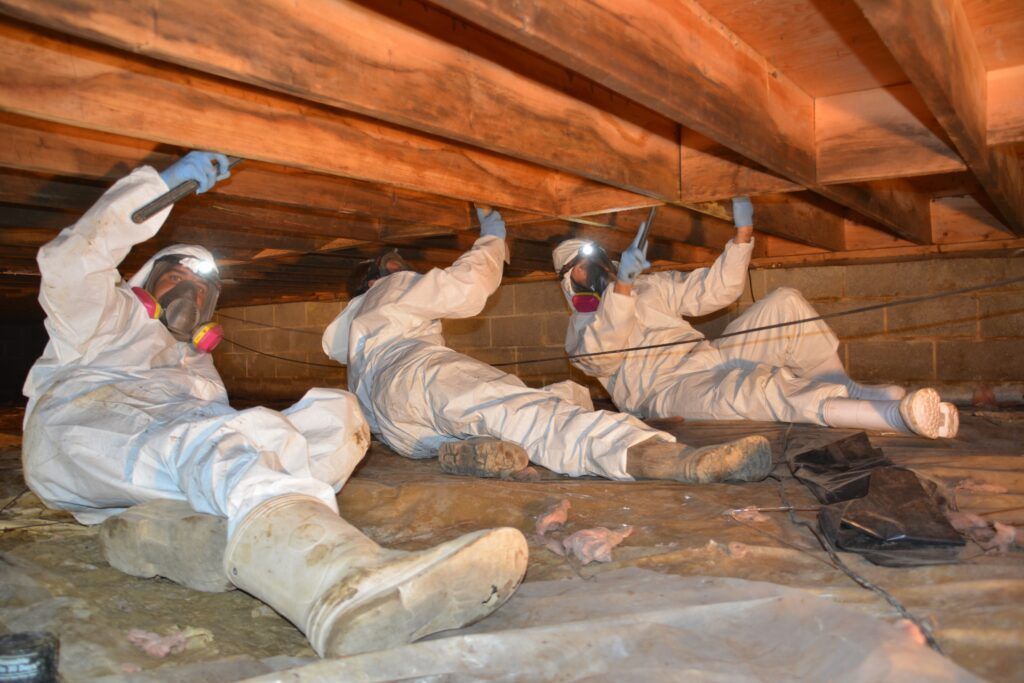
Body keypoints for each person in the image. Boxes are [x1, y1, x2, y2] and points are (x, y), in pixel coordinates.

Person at [21, 151, 527, 658]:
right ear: (148, 284)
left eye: (203, 291)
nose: (191, 295)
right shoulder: (107, 319)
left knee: (338, 416)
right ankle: (342, 581)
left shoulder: (196, 365)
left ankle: (172, 535)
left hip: (154, 456)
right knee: (221, 439)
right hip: (83, 429)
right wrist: (159, 188)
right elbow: (71, 261)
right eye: (178, 279)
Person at [322, 206, 772, 486]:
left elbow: (714, 289)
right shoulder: (389, 291)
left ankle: (461, 452)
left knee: (558, 396)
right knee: (529, 413)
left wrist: (740, 237)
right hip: (415, 375)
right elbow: (466, 288)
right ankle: (659, 457)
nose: (407, 271)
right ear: (374, 279)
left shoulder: (361, 342)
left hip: (394, 427)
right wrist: (493, 239)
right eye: (397, 265)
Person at [553, 197, 959, 439]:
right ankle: (893, 417)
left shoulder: (649, 288)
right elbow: (605, 350)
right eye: (580, 269)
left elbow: (716, 290)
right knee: (753, 388)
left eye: (593, 261)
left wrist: (742, 234)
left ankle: (851, 390)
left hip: (711, 357)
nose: (592, 272)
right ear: (570, 283)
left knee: (785, 303)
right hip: (664, 394)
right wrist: (621, 288)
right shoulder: (580, 330)